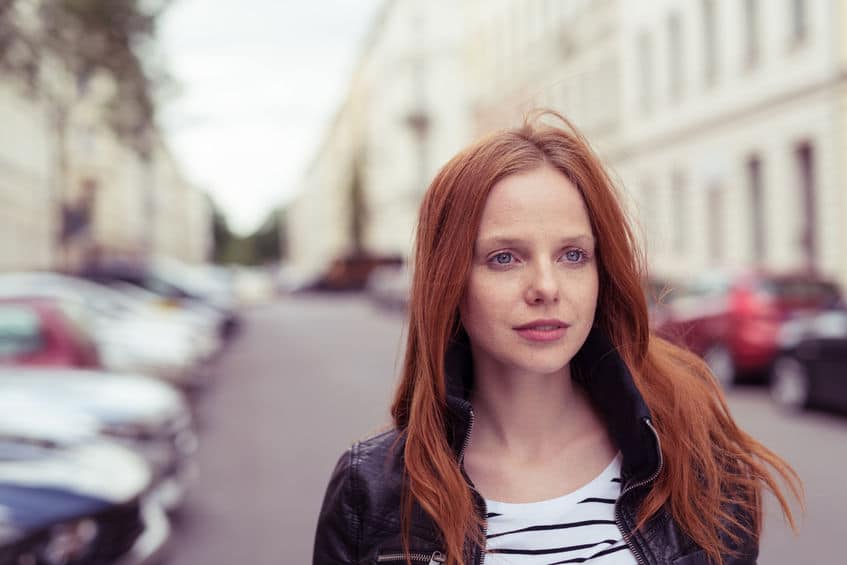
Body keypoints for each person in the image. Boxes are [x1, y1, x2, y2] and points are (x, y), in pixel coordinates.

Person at [313, 112, 801, 565]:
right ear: (449, 280)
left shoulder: (698, 463)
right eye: (505, 257)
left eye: (572, 255)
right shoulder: (371, 493)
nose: (546, 288)